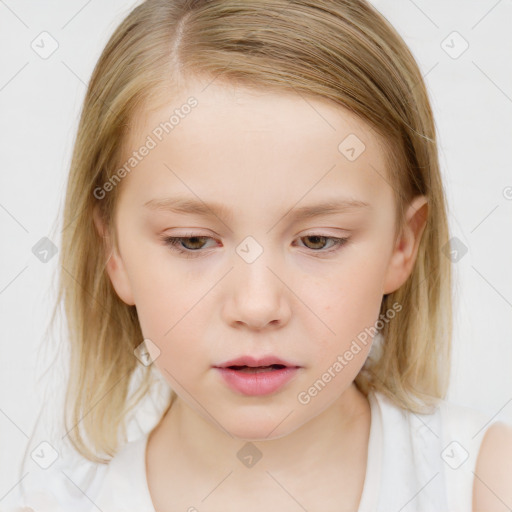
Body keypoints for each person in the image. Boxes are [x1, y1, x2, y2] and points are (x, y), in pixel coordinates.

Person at [9, 0, 512, 511]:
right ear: (112, 251)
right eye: (192, 241)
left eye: (318, 240)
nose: (255, 305)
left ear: (402, 244)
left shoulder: (482, 485)